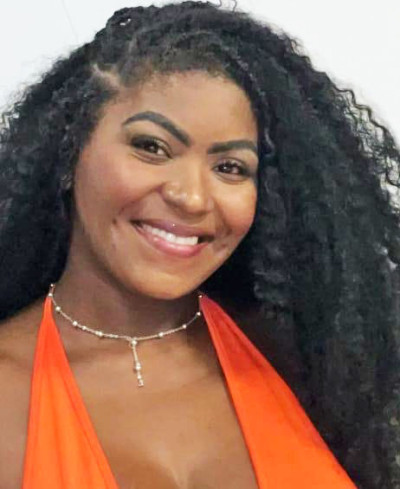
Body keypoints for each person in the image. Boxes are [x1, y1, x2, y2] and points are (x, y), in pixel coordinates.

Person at [0, 1, 399, 487]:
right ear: (67, 152)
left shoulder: (313, 363)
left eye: (230, 168)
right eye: (152, 147)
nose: (191, 198)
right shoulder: (7, 392)